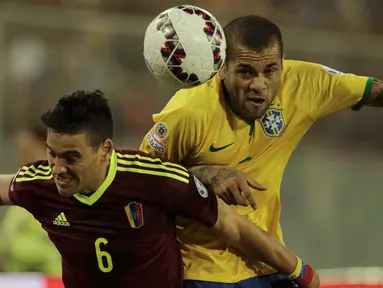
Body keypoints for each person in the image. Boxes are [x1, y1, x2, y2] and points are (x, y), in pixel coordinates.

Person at [140, 14, 382, 288]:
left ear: (282, 64)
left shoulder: (302, 84)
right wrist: (205, 174)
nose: (259, 83)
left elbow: (373, 91)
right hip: (200, 270)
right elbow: (141, 179)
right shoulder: (188, 112)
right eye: (245, 71)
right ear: (222, 68)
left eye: (270, 70)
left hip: (267, 263)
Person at [0, 90, 319, 288]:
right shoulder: (38, 184)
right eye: (52, 153)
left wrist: (298, 270)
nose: (57, 168)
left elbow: (230, 225)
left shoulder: (155, 179)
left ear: (105, 149)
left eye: (72, 157)